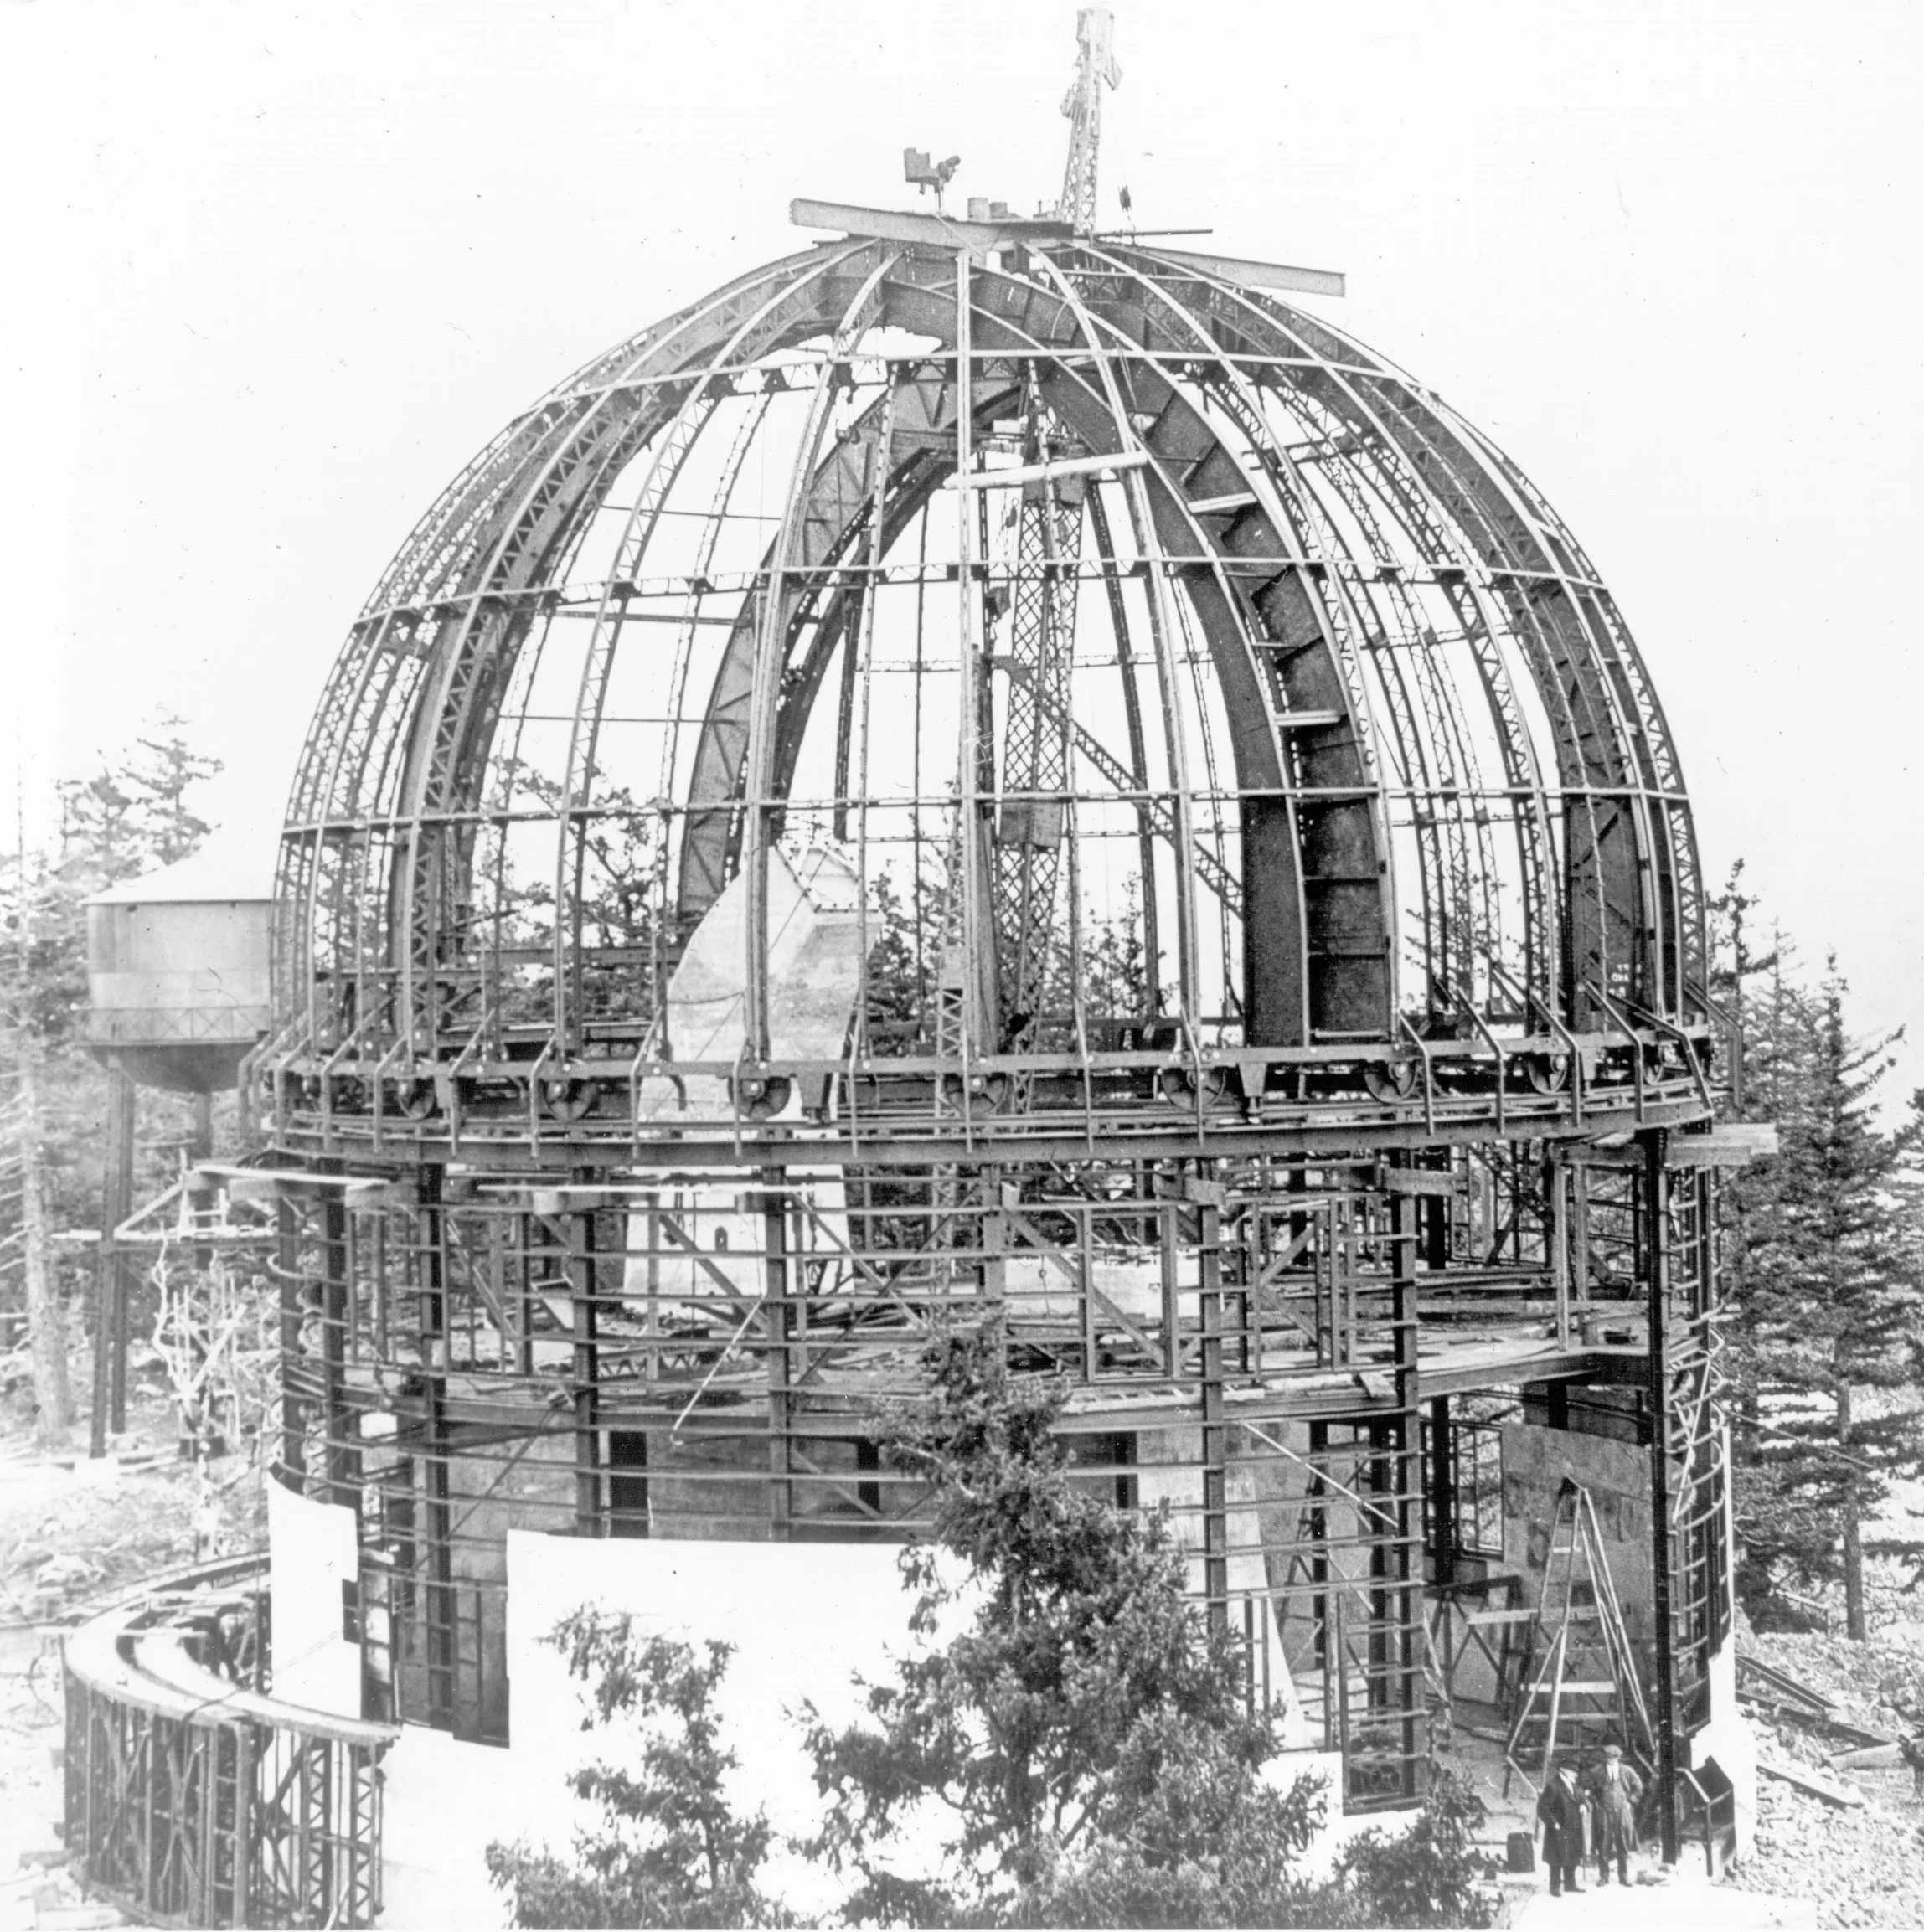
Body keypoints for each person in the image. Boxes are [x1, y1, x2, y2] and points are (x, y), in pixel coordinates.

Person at [1584, 1741, 1644, 1885]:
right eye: (1607, 1757)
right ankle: (1604, 1876)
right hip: (1604, 1811)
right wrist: (1595, 1803)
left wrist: (1631, 1802)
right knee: (1603, 1844)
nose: (1609, 1760)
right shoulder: (1597, 1771)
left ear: (1618, 1758)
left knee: (1622, 1844)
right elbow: (1587, 1788)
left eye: (1612, 1758)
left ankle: (1623, 1877)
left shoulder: (1627, 1771)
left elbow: (1639, 1787)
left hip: (1622, 1812)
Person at [1535, 1759, 1586, 1896]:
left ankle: (1570, 1884)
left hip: (1574, 1827)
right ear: (1564, 1770)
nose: (1576, 1774)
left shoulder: (1574, 1784)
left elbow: (1582, 1797)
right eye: (1573, 1771)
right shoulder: (1553, 1786)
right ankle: (1554, 1887)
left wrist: (1584, 1805)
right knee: (1556, 1859)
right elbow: (1542, 1807)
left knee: (1572, 1855)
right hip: (1559, 1828)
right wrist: (1553, 1823)